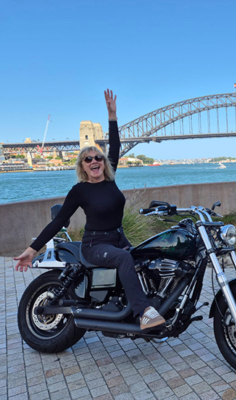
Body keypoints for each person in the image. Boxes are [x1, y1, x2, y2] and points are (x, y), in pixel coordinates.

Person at [14, 89, 166, 330]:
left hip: (117, 238)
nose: (95, 161)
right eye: (88, 159)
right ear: (82, 166)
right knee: (125, 258)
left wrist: (112, 115)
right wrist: (32, 250)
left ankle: (154, 302)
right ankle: (143, 313)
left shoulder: (110, 180)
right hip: (95, 245)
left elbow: (114, 144)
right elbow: (58, 221)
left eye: (98, 157)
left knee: (149, 257)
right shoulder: (80, 191)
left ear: (104, 162)